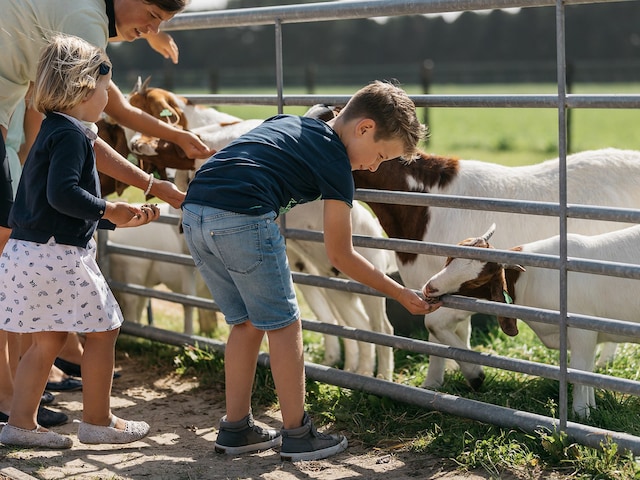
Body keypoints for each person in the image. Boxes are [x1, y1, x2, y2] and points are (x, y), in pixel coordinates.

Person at [181, 80, 443, 462]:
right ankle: (298, 434)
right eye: (381, 155)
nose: (373, 166)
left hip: (195, 213)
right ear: (364, 128)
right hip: (242, 216)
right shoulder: (336, 161)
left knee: (247, 323)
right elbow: (341, 254)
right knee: (285, 326)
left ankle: (236, 429)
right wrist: (400, 292)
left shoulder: (292, 123)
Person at [0, 34, 159, 448]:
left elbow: (53, 206)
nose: (109, 95)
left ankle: (19, 424)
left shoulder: (55, 130)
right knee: (106, 328)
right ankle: (98, 421)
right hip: (57, 256)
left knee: (48, 338)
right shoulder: (71, 136)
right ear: (86, 86)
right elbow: (64, 196)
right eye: (108, 87)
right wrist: (109, 210)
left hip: (30, 250)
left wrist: (114, 222)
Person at [0, 0, 216, 252]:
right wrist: (151, 185)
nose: (154, 28)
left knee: (6, 227)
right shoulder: (85, 20)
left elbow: (118, 108)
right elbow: (88, 135)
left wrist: (177, 136)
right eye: (152, 15)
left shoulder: (84, 11)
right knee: (5, 231)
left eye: (160, 23)